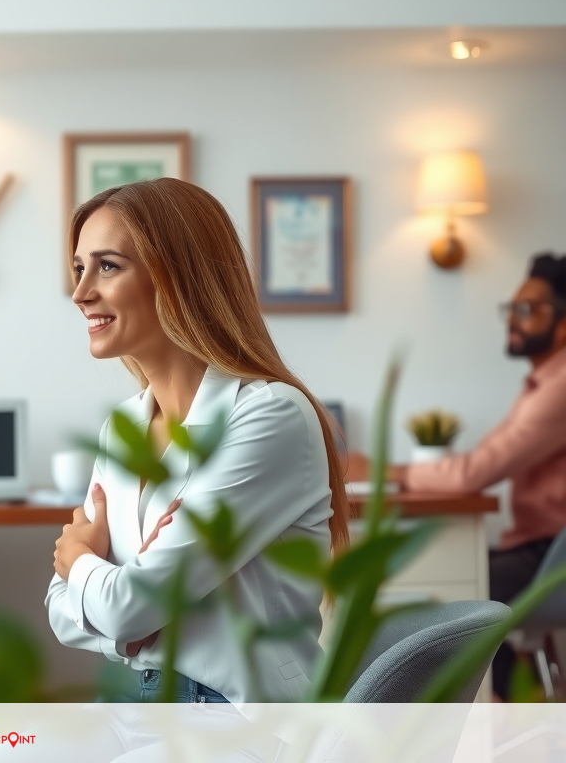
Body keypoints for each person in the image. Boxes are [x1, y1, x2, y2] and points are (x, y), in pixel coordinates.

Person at [45, 178, 349, 704]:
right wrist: (128, 612)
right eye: (79, 268)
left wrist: (83, 565)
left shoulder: (272, 416)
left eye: (108, 266)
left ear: (177, 276)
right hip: (127, 702)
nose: (80, 292)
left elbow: (120, 602)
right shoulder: (123, 429)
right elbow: (58, 611)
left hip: (231, 717)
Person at [392, 252, 566, 700]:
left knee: (444, 596)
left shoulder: (560, 386)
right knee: (456, 577)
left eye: (527, 310)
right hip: (535, 550)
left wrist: (390, 472)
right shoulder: (542, 384)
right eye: (511, 308)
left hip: (549, 559)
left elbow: (475, 473)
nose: (513, 319)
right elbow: (485, 458)